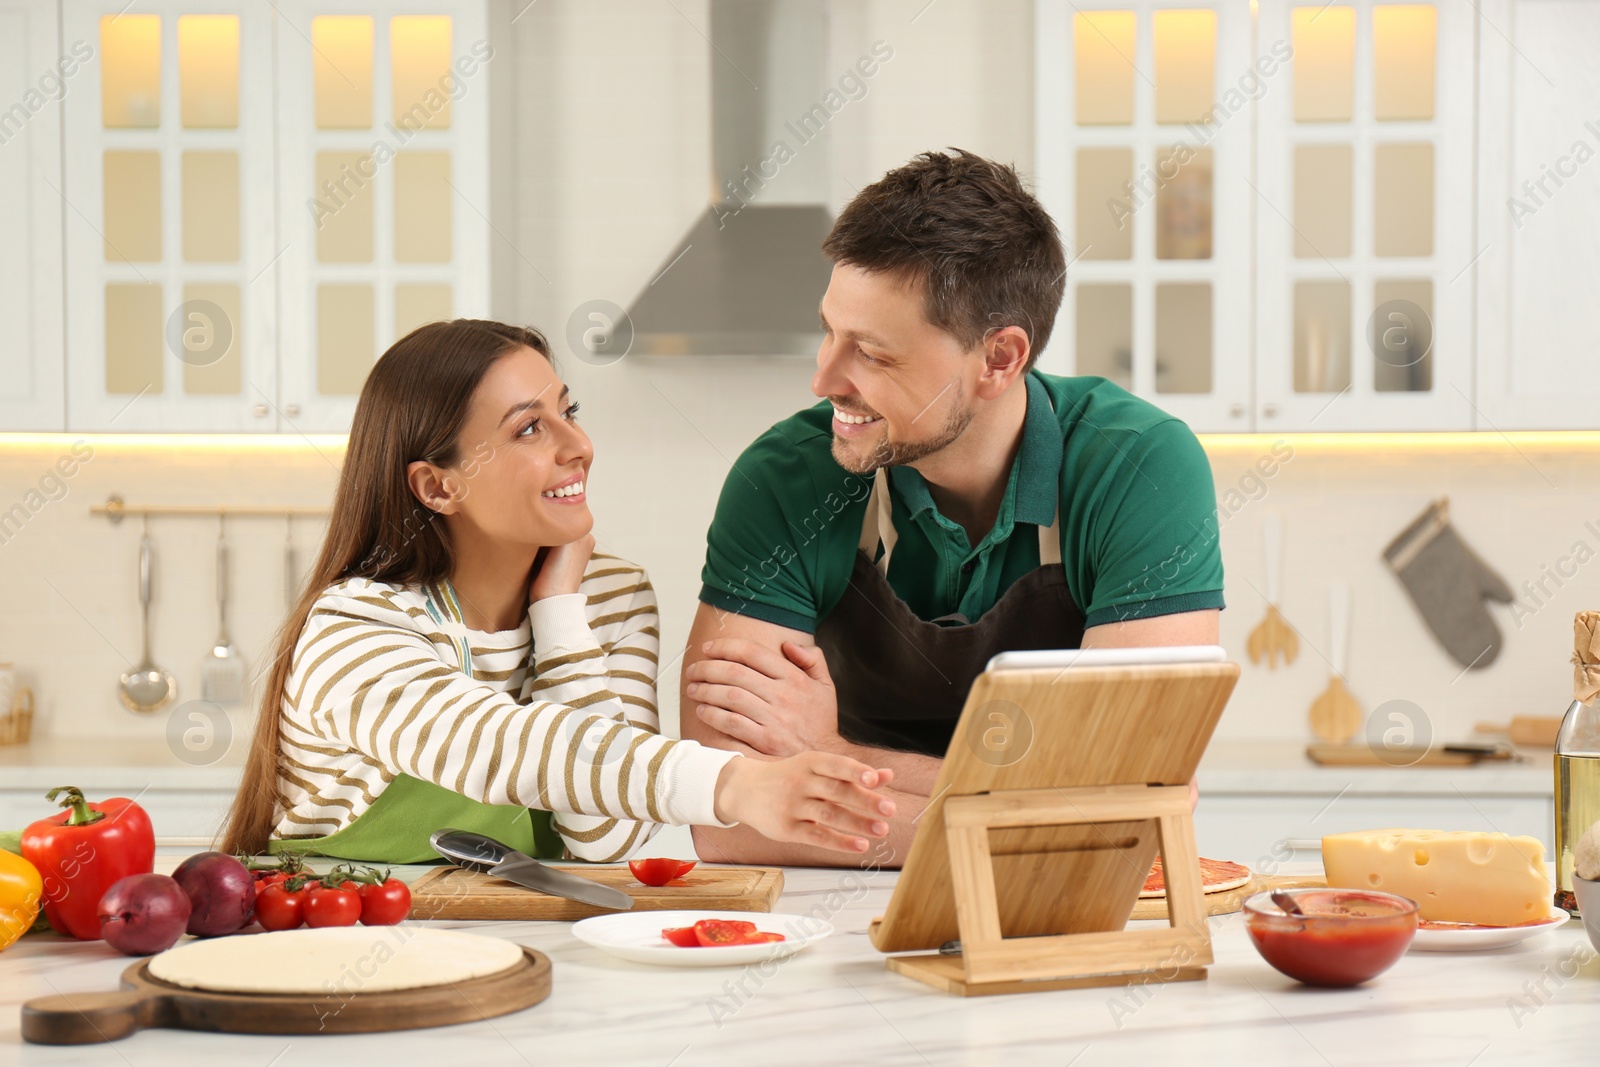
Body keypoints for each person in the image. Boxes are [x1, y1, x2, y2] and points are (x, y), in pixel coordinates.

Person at [681, 150, 1224, 866]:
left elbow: (1124, 815)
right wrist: (1048, 815)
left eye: (872, 354)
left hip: (1058, 915)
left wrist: (827, 753)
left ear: (999, 359)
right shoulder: (784, 480)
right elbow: (727, 821)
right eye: (828, 330)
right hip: (822, 928)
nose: (823, 378)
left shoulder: (1140, 467)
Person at [220, 319, 895, 864]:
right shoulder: (355, 626)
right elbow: (495, 743)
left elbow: (606, 839)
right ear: (437, 485)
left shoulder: (611, 597)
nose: (579, 445)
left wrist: (560, 611)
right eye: (529, 428)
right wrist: (734, 783)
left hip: (522, 961)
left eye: (568, 410)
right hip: (337, 951)